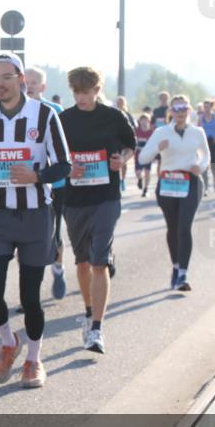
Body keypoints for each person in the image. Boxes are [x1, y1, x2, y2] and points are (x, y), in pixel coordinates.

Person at [0, 53, 70, 389]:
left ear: (21, 79)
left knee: (30, 298)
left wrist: (37, 176)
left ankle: (33, 359)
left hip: (34, 215)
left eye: (6, 77)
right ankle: (9, 342)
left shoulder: (43, 115)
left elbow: (64, 165)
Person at [59, 67, 136, 355]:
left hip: (106, 197)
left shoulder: (113, 116)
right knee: (82, 262)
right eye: (77, 91)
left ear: (96, 89)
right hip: (75, 199)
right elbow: (53, 154)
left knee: (99, 261)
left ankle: (96, 329)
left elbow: (130, 145)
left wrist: (122, 160)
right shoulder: (63, 120)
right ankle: (89, 309)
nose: (82, 96)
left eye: (87, 91)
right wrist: (68, 167)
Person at [137, 95, 210, 291]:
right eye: (176, 108)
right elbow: (143, 158)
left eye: (184, 108)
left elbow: (206, 156)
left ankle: (183, 275)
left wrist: (199, 166)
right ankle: (176, 267)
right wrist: (157, 149)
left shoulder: (197, 132)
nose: (180, 112)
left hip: (191, 182)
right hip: (168, 183)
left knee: (184, 227)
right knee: (173, 227)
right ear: (170, 111)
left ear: (189, 110)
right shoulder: (161, 132)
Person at [25, 66, 67, 299]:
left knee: (53, 234)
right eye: (26, 81)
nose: (29, 86)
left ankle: (58, 270)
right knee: (26, 240)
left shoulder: (55, 111)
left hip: (54, 185)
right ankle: (29, 293)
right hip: (22, 183)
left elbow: (64, 151)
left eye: (34, 82)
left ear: (43, 87)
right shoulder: (14, 110)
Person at [134, 113, 156, 196]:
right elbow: (132, 142)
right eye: (142, 120)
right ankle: (139, 179)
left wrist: (154, 155)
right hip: (138, 155)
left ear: (149, 121)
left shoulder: (152, 132)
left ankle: (146, 189)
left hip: (148, 155)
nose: (144, 122)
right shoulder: (136, 131)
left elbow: (154, 144)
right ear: (139, 121)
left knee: (147, 172)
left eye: (146, 120)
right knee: (138, 172)